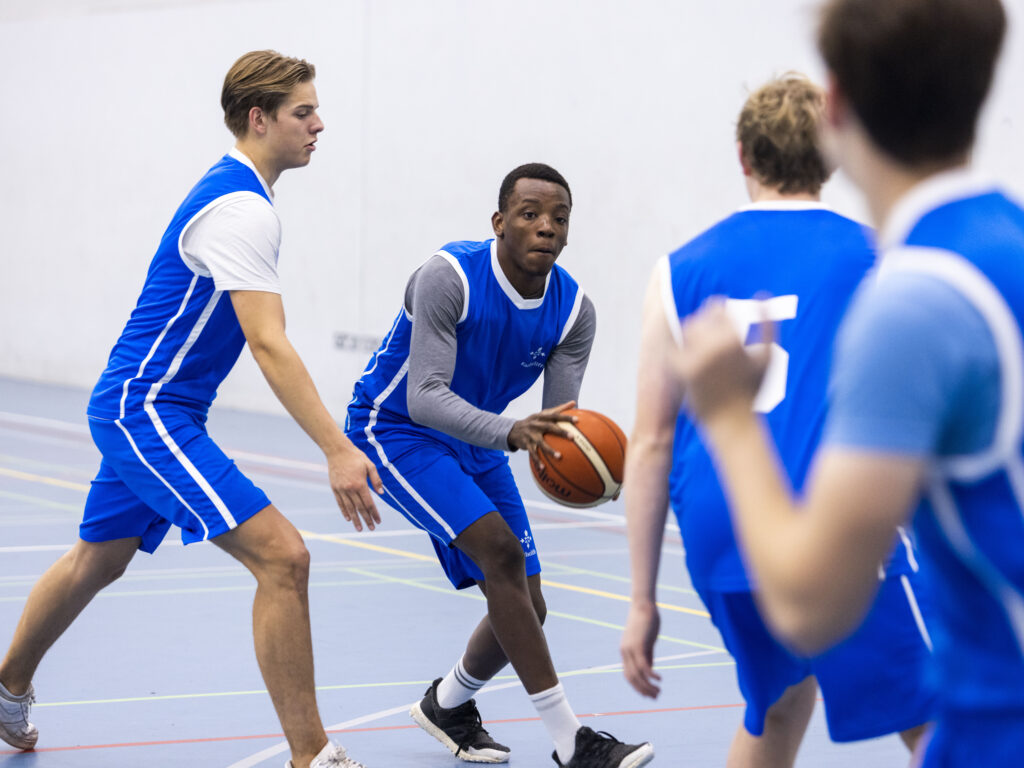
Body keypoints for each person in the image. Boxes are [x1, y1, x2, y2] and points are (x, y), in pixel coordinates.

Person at [0, 50, 380, 768]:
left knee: (95, 561)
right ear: (259, 118)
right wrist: (337, 447)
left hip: (148, 409)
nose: (319, 124)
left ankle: (7, 687)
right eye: (304, 111)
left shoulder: (240, 197)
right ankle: (313, 757)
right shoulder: (240, 210)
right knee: (284, 557)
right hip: (147, 411)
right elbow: (269, 344)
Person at [670, 1, 1021, 765]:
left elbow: (807, 604)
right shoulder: (1006, 248)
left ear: (835, 109)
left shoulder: (916, 298)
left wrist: (728, 416)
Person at [619, 73, 934, 766]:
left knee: (780, 704)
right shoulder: (879, 253)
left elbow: (649, 445)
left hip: (720, 537)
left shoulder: (677, 271)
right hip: (833, 528)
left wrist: (641, 598)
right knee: (939, 720)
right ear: (831, 156)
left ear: (743, 155)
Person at [345, 163, 653, 768]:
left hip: (481, 438)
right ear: (499, 222)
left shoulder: (573, 312)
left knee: (527, 607)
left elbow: (558, 429)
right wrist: (512, 433)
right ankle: (572, 743)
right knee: (502, 556)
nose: (545, 227)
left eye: (558, 218)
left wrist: (604, 473)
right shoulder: (450, 275)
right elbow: (425, 395)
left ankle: (448, 705)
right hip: (397, 428)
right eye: (530, 214)